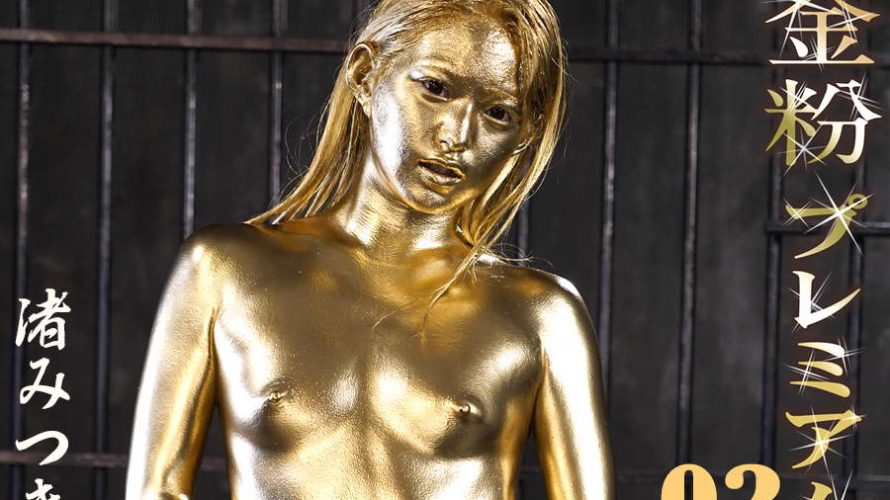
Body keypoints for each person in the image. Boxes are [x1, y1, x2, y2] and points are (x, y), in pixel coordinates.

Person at [126, 0, 614, 498]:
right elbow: (155, 490)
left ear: (524, 134)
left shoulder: (542, 315)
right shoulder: (221, 270)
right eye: (436, 88)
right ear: (365, 74)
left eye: (497, 112)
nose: (458, 135)